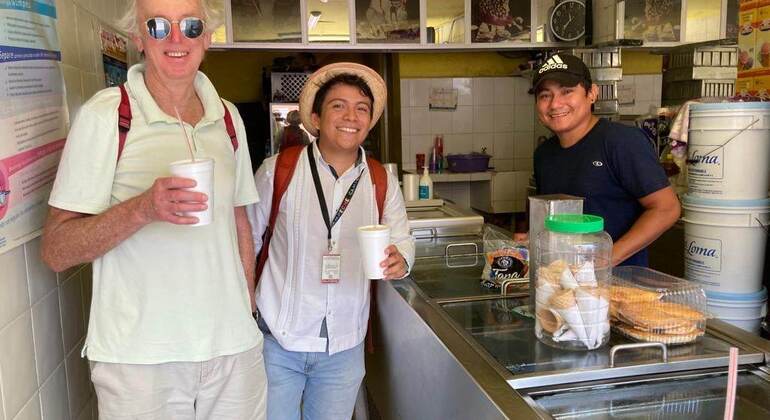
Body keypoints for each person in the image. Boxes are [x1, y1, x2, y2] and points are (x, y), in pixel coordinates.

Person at [40, 0, 266, 418]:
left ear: (208, 38)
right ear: (138, 39)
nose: (176, 38)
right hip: (141, 359)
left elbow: (238, 219)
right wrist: (143, 208)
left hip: (233, 351)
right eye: (158, 26)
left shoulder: (229, 118)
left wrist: (246, 306)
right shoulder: (108, 115)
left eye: (191, 25)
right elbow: (56, 249)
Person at [247, 62, 414, 420]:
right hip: (277, 341)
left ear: (369, 122)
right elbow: (246, 241)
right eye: (338, 105)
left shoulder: (381, 180)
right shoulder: (278, 170)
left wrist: (401, 259)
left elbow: (402, 239)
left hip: (343, 346)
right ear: (317, 118)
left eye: (362, 108)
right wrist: (245, 305)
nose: (350, 116)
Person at [532, 53, 680, 267]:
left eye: (567, 92)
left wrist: (606, 260)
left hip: (618, 283)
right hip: (565, 282)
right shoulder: (544, 154)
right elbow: (559, 219)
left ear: (592, 94)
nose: (555, 104)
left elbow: (667, 209)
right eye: (545, 95)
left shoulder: (621, 142)